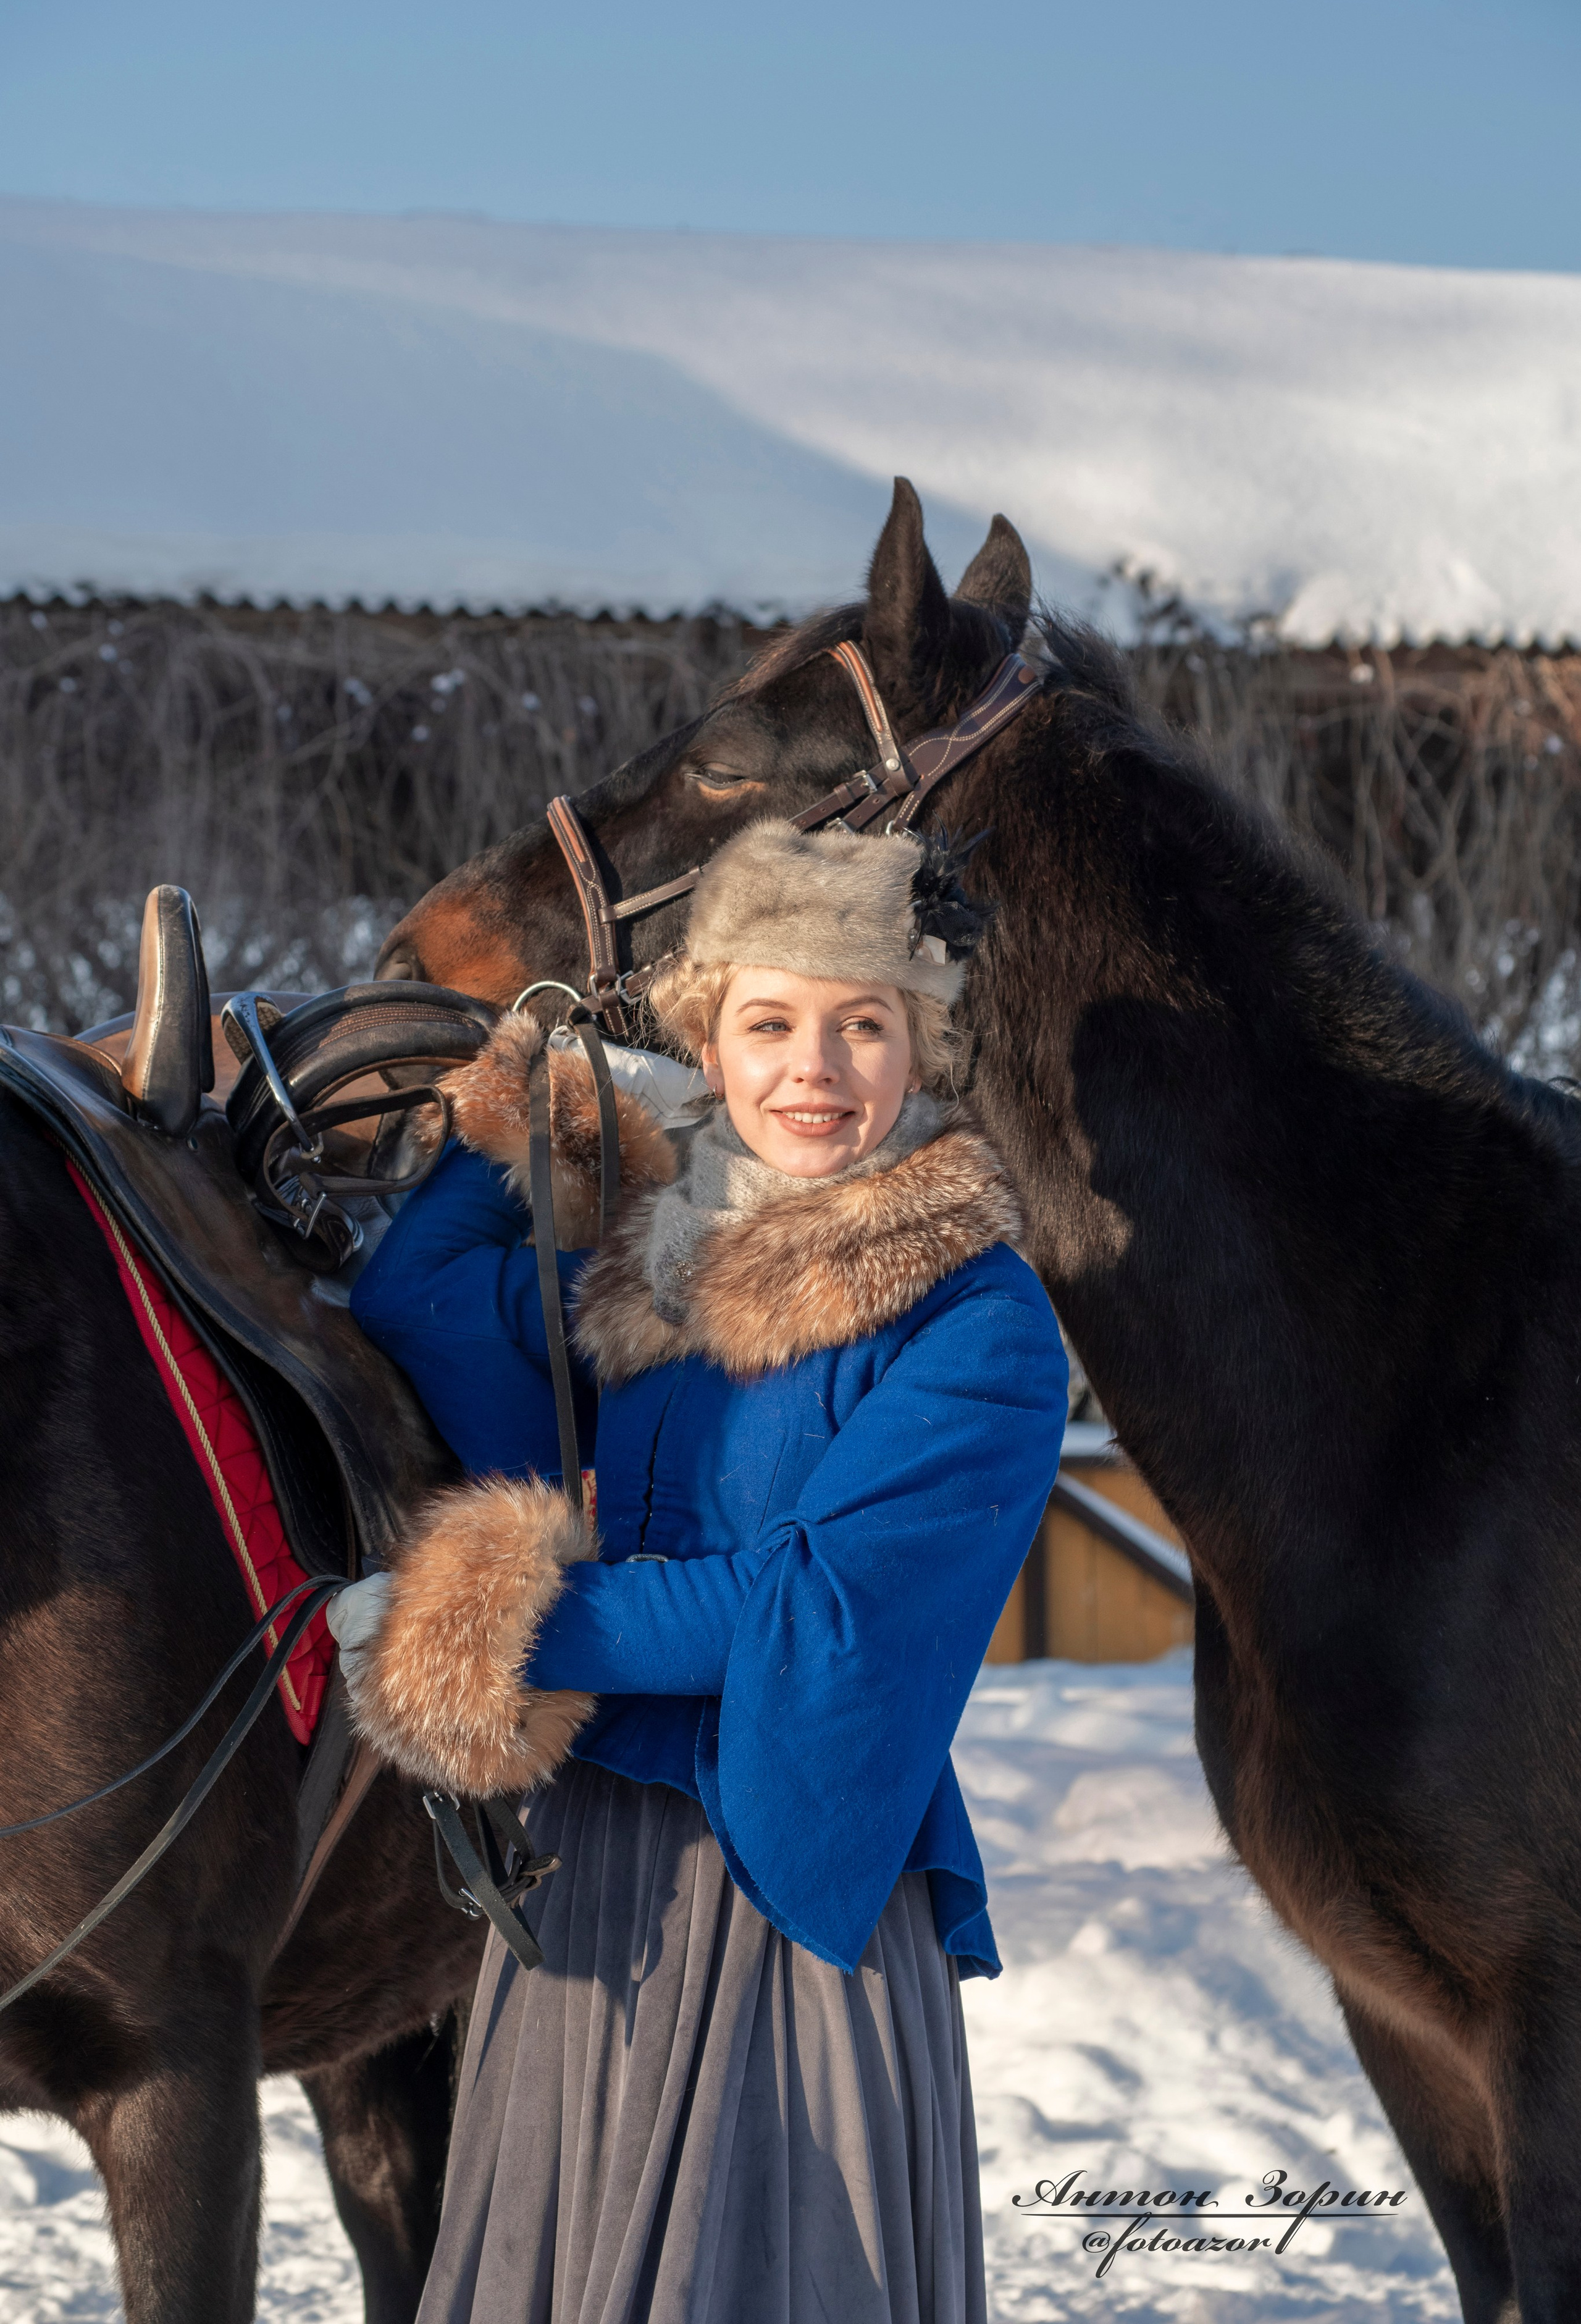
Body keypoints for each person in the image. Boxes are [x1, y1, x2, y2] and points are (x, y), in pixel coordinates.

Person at [330, 819, 1068, 2324]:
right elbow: (419, 1296)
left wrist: (477, 1629)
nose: (815, 1068)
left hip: (787, 1880)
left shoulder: (976, 1323)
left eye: (863, 1024)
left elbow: (805, 1610)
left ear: (918, 1049)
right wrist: (553, 1106)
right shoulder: (659, 1273)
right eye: (770, 1023)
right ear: (709, 1044)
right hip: (600, 1871)